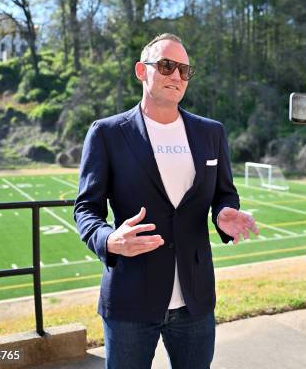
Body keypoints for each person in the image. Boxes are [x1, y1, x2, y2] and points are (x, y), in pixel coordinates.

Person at [74, 33, 258, 369]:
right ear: (141, 71)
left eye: (184, 70)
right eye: (166, 65)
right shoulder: (107, 133)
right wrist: (109, 240)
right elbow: (86, 208)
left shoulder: (211, 132)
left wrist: (224, 212)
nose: (176, 76)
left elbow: (224, 193)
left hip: (195, 300)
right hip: (131, 299)